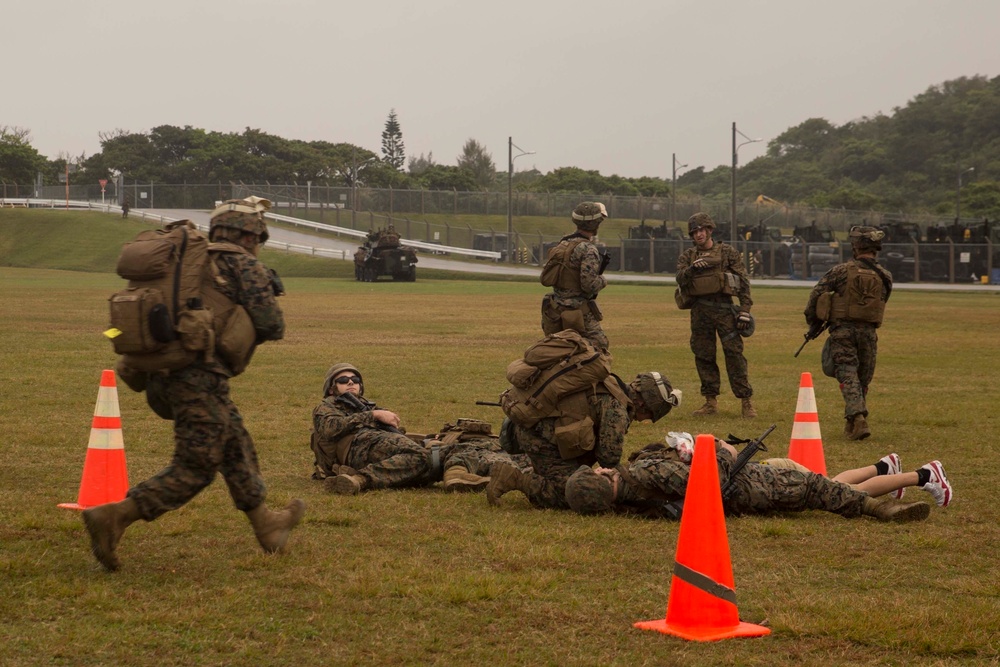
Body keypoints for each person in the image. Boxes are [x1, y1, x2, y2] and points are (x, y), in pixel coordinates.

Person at [83, 196, 305, 572]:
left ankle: (266, 524)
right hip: (197, 377)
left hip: (163, 376)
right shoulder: (241, 263)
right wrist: (263, 288)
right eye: (257, 236)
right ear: (250, 234)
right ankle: (116, 515)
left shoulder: (193, 262)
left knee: (234, 442)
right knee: (197, 465)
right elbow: (272, 325)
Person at [564, 437, 952, 521]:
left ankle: (885, 469)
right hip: (749, 479)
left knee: (824, 483)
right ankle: (922, 475)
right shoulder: (644, 475)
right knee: (827, 488)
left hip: (754, 477)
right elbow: (706, 480)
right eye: (595, 473)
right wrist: (724, 451)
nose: (598, 466)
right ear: (601, 481)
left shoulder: (629, 501)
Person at [313, 364, 528, 494]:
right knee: (424, 458)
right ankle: (360, 480)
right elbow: (330, 429)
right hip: (356, 448)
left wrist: (427, 438)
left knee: (452, 450)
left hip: (380, 444)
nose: (351, 383)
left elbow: (394, 437)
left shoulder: (366, 405)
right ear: (332, 387)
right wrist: (374, 415)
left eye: (355, 380)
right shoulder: (327, 406)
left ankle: (457, 474)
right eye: (343, 380)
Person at [486, 371, 681, 510]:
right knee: (575, 493)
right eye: (645, 414)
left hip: (539, 433)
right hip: (538, 438)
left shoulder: (610, 384)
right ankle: (513, 477)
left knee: (578, 478)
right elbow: (608, 458)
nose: (640, 419)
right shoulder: (617, 409)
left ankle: (533, 470)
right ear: (642, 403)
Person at [804, 226, 892, 440]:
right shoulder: (885, 276)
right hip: (869, 332)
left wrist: (813, 321)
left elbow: (816, 294)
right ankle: (852, 423)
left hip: (843, 331)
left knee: (847, 372)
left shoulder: (841, 271)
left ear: (855, 247)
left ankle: (858, 416)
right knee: (862, 378)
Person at [675, 213, 756, 419]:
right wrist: (691, 270)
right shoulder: (688, 256)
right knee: (703, 355)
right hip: (700, 312)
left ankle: (746, 401)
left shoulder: (727, 252)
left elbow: (743, 280)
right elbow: (680, 280)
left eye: (702, 230)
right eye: (695, 232)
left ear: (709, 230)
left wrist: (745, 309)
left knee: (734, 354)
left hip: (724, 311)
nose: (699, 235)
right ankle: (710, 401)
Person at [540, 201, 611, 351]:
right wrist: (603, 281)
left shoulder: (563, 243)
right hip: (577, 310)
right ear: (596, 223)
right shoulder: (588, 249)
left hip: (555, 308)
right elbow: (589, 284)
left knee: (559, 348)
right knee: (600, 347)